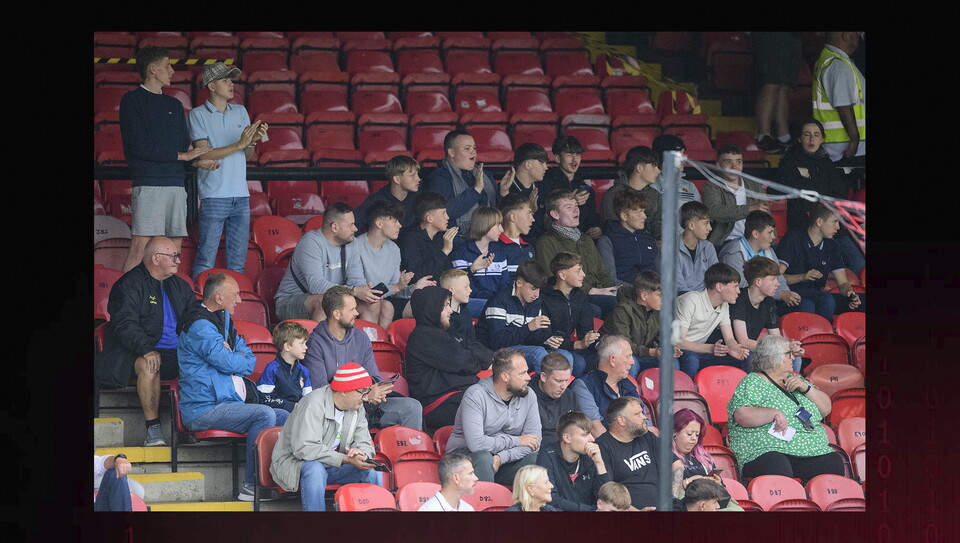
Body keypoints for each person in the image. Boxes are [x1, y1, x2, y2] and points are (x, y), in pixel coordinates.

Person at [176, 273, 289, 501]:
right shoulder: (199, 325)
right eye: (235, 295)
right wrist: (233, 357)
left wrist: (233, 355)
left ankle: (277, 477)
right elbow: (228, 363)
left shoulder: (223, 321)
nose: (239, 300)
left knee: (284, 416)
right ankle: (251, 486)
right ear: (219, 297)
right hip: (203, 408)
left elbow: (249, 359)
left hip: (227, 403)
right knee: (264, 414)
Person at [118, 46, 215, 273]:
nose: (172, 71)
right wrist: (183, 156)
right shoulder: (132, 101)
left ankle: (165, 296)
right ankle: (126, 297)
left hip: (176, 183)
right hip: (149, 183)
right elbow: (139, 147)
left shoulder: (174, 105)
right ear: (153, 69)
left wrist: (195, 161)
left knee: (173, 249)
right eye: (167, 66)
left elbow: (181, 146)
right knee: (140, 247)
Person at [94, 236, 196, 447]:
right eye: (173, 256)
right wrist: (147, 348)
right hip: (133, 352)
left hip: (176, 353)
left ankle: (193, 424)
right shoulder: (129, 284)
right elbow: (124, 323)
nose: (178, 260)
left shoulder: (181, 286)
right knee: (150, 363)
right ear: (156, 258)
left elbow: (195, 320)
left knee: (208, 361)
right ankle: (153, 429)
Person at [300, 285, 423, 430]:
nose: (357, 313)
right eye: (352, 309)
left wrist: (376, 391)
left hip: (366, 405)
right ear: (337, 314)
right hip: (336, 409)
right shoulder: (315, 342)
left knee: (412, 407)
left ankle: (407, 445)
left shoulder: (361, 337)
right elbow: (320, 390)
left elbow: (374, 377)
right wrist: (364, 395)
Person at [727, 335, 845, 484]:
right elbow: (741, 415)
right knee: (777, 464)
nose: (793, 358)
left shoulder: (797, 380)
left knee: (832, 462)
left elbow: (826, 409)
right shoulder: (753, 381)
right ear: (773, 358)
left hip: (808, 451)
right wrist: (773, 413)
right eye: (789, 354)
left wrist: (806, 388)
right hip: (766, 450)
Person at [187, 61, 268, 279]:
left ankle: (234, 300)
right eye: (225, 80)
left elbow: (247, 155)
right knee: (206, 259)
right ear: (211, 86)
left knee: (237, 263)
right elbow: (203, 154)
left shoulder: (240, 111)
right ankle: (198, 299)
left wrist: (252, 141)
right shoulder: (197, 114)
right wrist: (241, 144)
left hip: (240, 195)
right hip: (214, 195)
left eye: (231, 80)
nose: (231, 84)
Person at [269, 363, 384, 511]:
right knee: (315, 469)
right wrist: (345, 459)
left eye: (367, 392)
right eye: (362, 392)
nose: (366, 398)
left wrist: (361, 454)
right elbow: (305, 449)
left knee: (370, 471)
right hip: (294, 466)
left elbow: (364, 440)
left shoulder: (357, 407)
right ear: (344, 391)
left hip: (332, 465)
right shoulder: (313, 404)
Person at [775, 119, 865, 275]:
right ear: (799, 138)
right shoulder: (790, 161)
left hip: (831, 227)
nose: (812, 139)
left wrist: (851, 220)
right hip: (805, 229)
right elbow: (777, 187)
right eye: (807, 135)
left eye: (816, 135)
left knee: (858, 262)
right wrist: (796, 172)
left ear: (822, 139)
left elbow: (840, 195)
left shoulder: (826, 162)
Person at [445, 348, 542, 485]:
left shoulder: (528, 394)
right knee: (484, 457)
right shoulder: (475, 395)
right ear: (505, 377)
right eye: (522, 373)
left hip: (501, 460)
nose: (529, 377)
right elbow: (477, 445)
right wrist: (517, 440)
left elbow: (534, 442)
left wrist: (502, 458)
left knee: (536, 459)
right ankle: (487, 498)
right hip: (464, 460)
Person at [273, 202, 382, 322]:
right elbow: (316, 286)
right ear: (335, 227)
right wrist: (355, 291)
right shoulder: (311, 243)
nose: (355, 229)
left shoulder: (352, 243)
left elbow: (356, 281)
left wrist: (366, 292)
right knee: (326, 302)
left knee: (371, 304)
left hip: (334, 297)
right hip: (291, 301)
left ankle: (362, 335)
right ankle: (321, 335)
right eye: (351, 225)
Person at [405, 286, 492, 428]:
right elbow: (467, 364)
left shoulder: (448, 332)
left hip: (463, 394)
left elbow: (483, 352)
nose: (450, 310)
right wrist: (474, 360)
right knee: (492, 409)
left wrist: (471, 357)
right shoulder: (422, 336)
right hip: (438, 404)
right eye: (445, 305)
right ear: (432, 308)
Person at [477, 260, 574, 374]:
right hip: (495, 352)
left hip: (524, 348)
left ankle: (559, 385)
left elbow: (531, 338)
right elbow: (497, 342)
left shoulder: (536, 302)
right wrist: (528, 328)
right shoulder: (499, 301)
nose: (537, 294)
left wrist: (546, 340)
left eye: (539, 289)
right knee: (538, 353)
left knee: (565, 356)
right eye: (533, 289)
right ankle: (540, 385)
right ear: (519, 283)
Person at [537, 190, 619, 318]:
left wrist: (610, 289)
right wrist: (592, 290)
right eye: (569, 207)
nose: (576, 210)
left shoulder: (586, 239)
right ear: (555, 214)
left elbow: (602, 271)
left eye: (576, 206)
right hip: (571, 296)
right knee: (611, 305)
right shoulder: (546, 241)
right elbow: (553, 278)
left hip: (597, 291)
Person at [776, 202, 864, 321]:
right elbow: (775, 277)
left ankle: (826, 331)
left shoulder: (832, 245)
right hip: (789, 293)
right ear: (819, 222)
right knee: (811, 304)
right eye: (834, 222)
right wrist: (802, 277)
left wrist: (850, 293)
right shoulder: (793, 238)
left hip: (815, 294)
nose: (838, 227)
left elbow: (843, 283)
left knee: (858, 302)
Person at [424, 129, 514, 236]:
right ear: (452, 152)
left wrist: (502, 192)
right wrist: (476, 190)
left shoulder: (484, 175)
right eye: (467, 148)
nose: (473, 152)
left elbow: (497, 211)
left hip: (490, 235)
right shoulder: (439, 177)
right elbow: (446, 212)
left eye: (474, 148)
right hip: (458, 237)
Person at [352, 201, 427, 329]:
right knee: (378, 305)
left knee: (388, 306)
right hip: (357, 298)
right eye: (395, 221)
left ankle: (382, 341)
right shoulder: (356, 247)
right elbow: (364, 290)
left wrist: (411, 287)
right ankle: (366, 341)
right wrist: (396, 287)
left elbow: (395, 290)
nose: (400, 225)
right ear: (379, 223)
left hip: (381, 301)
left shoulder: (394, 249)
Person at [717, 210, 804, 316]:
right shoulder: (734, 253)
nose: (773, 237)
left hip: (768, 299)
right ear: (755, 234)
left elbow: (778, 277)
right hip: (743, 306)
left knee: (802, 307)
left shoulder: (769, 250)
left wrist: (787, 293)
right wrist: (780, 294)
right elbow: (741, 286)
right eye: (769, 232)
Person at [729, 257, 805, 373]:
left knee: (794, 358)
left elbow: (776, 337)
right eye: (773, 279)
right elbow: (743, 341)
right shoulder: (739, 299)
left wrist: (790, 346)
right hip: (732, 353)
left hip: (751, 351)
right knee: (751, 358)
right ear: (758, 282)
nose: (777, 284)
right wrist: (778, 348)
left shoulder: (768, 301)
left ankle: (787, 385)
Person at [675, 263, 750, 378]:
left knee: (747, 357)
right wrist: (711, 348)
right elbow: (678, 342)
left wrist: (734, 347)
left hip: (700, 351)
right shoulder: (691, 300)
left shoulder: (724, 305)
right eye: (735, 286)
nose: (739, 291)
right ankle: (685, 389)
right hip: (678, 350)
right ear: (719, 287)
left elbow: (729, 338)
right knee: (691, 360)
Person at [600, 270, 681, 378]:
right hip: (615, 356)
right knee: (630, 364)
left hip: (642, 354)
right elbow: (624, 346)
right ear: (644, 296)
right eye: (660, 295)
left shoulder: (659, 312)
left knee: (671, 362)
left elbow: (662, 338)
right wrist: (652, 352)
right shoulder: (622, 310)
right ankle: (627, 389)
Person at [570, 334, 652, 435]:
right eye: (628, 356)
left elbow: (647, 425)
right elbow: (596, 430)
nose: (632, 362)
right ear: (612, 360)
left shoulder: (628, 385)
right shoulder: (583, 386)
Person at [538, 252, 602, 377]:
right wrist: (578, 344)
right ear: (562, 275)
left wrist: (600, 343)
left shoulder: (580, 296)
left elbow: (586, 332)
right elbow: (548, 338)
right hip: (547, 347)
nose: (583, 274)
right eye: (578, 271)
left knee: (604, 357)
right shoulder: (543, 297)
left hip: (570, 346)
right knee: (578, 362)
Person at [595, 396, 663, 510]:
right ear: (621, 420)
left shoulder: (647, 436)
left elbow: (675, 464)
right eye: (637, 414)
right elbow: (608, 492)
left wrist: (673, 496)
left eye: (642, 413)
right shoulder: (602, 447)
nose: (644, 417)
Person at [535, 411, 612, 511]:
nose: (592, 439)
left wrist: (599, 463)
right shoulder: (547, 456)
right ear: (567, 438)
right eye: (585, 435)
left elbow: (609, 499)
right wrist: (589, 510)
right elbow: (550, 499)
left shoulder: (591, 456)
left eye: (591, 434)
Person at [396, 191, 455, 318]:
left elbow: (448, 274)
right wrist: (444, 251)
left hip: (442, 295)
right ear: (429, 218)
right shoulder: (409, 239)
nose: (447, 217)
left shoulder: (441, 238)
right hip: (417, 298)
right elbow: (419, 276)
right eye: (443, 213)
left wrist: (472, 269)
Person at [670, 408, 741, 511]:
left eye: (697, 434)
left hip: (711, 502)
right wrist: (688, 482)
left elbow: (722, 492)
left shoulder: (704, 458)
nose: (694, 438)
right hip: (686, 503)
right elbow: (661, 491)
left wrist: (717, 483)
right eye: (689, 434)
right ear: (674, 433)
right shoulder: (665, 458)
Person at [701, 144, 770, 249]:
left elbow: (768, 220)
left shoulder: (754, 186)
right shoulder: (711, 186)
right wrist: (750, 208)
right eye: (728, 162)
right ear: (718, 165)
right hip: (724, 242)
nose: (734, 167)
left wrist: (770, 242)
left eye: (738, 162)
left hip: (754, 242)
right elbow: (714, 211)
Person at [813, 32, 865, 164]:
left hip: (837, 146)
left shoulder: (830, 59)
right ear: (845, 36)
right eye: (856, 32)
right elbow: (843, 106)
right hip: (847, 150)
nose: (859, 35)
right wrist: (854, 139)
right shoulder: (838, 65)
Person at [538, 135, 601, 240]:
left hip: (581, 241)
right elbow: (544, 222)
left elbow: (591, 221)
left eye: (577, 154)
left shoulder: (585, 188)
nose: (574, 159)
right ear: (557, 158)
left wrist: (595, 229)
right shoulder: (545, 183)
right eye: (569, 154)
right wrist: (570, 202)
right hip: (554, 241)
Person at [451, 206, 510, 313]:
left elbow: (505, 284)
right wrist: (472, 269)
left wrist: (498, 299)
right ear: (485, 225)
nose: (502, 229)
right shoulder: (462, 253)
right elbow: (462, 287)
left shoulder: (499, 252)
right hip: (472, 303)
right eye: (498, 225)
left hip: (497, 303)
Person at [597, 189, 660, 286]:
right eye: (638, 212)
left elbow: (663, 273)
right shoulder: (607, 241)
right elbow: (610, 280)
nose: (644, 216)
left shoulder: (649, 239)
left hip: (655, 292)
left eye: (643, 211)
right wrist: (638, 291)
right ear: (624, 216)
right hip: (625, 293)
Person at [751, 32, 802, 153]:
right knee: (772, 83)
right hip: (773, 36)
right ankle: (764, 136)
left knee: (784, 87)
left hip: (793, 36)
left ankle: (784, 137)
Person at [601, 145, 662, 241]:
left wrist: (660, 241)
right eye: (654, 166)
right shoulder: (613, 194)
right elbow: (610, 228)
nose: (658, 171)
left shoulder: (655, 195)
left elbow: (659, 227)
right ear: (639, 168)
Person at [255, 321, 313, 413]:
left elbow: (309, 398)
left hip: (300, 413)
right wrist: (292, 406)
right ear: (287, 346)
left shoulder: (304, 371)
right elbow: (264, 398)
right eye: (302, 343)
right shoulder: (272, 369)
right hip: (279, 414)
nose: (306, 347)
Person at [353, 154, 422, 232]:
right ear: (397, 179)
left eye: (417, 174)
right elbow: (354, 224)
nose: (418, 179)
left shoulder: (420, 199)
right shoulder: (375, 201)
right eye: (412, 175)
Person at [530, 353, 581, 450]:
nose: (564, 387)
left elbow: (579, 427)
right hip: (537, 450)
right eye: (558, 381)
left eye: (566, 380)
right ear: (543, 377)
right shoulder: (526, 396)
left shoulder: (570, 395)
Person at [505, 142, 548, 242]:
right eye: (542, 163)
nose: (546, 167)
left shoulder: (544, 188)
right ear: (528, 165)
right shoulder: (506, 190)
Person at [490, 193, 538, 281]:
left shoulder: (529, 248)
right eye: (528, 213)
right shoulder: (494, 247)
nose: (533, 219)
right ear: (513, 217)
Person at [649, 134, 702, 210]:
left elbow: (700, 214)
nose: (684, 158)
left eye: (683, 154)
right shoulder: (651, 185)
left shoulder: (690, 186)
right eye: (679, 155)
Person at [676, 201, 719, 296]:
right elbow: (679, 287)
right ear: (691, 225)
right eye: (706, 223)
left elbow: (716, 278)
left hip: (706, 298)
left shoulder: (708, 247)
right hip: (681, 299)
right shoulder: (671, 250)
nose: (710, 228)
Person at [440, 268, 478, 342]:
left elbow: (472, 340)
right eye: (466, 287)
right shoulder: (441, 316)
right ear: (451, 291)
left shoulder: (465, 311)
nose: (470, 290)